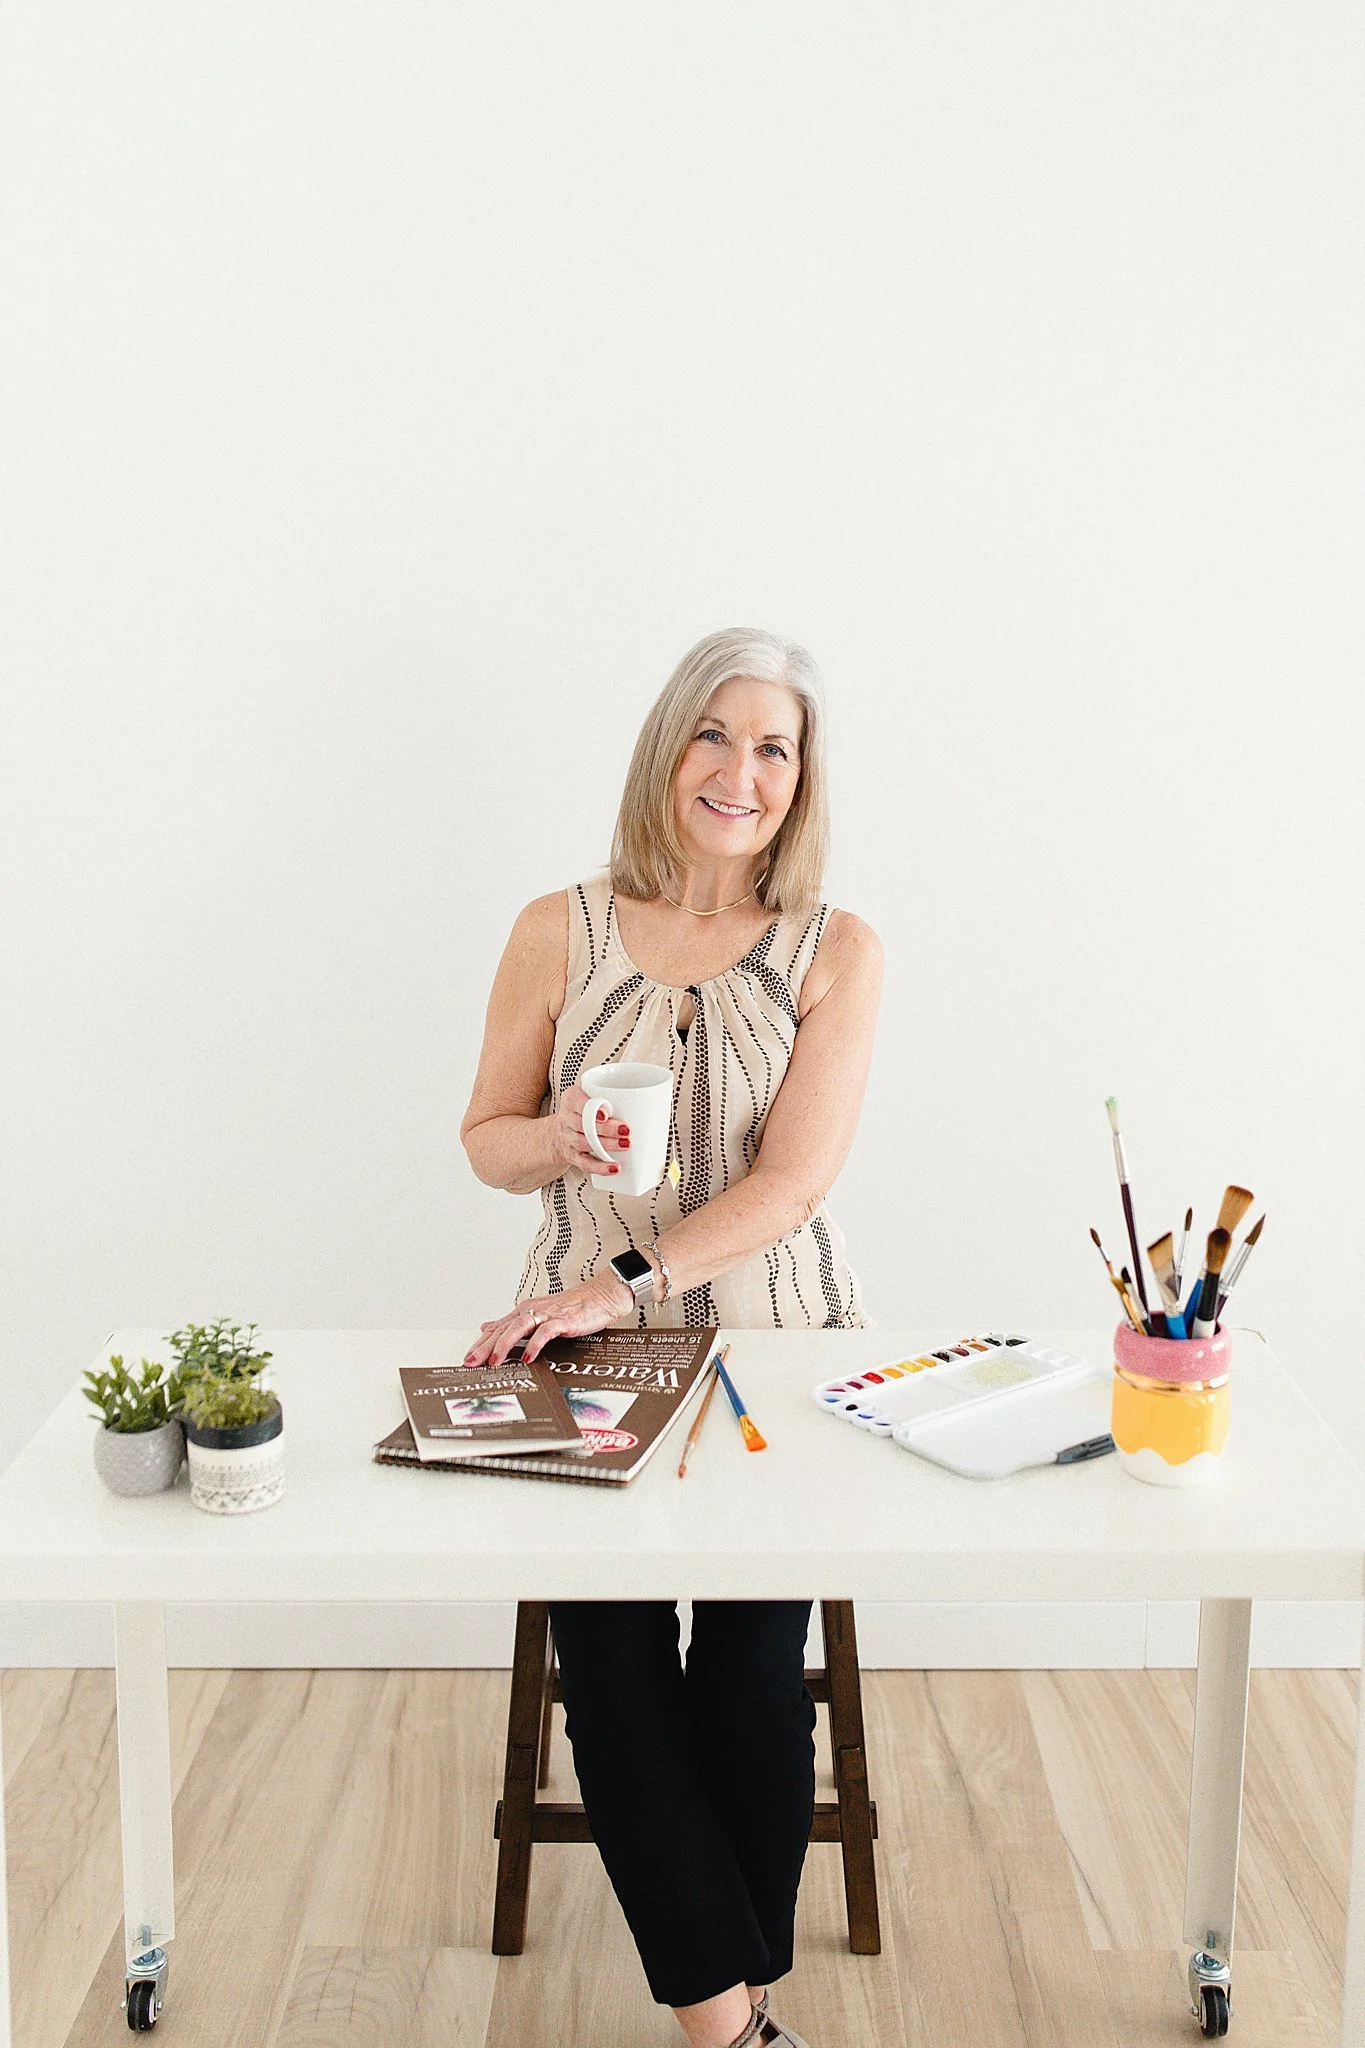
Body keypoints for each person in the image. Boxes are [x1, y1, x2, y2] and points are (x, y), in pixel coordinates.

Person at [460, 627, 883, 2048]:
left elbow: (793, 1184)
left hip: (776, 1355)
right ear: (668, 747)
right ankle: (736, 2027)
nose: (740, 771)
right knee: (622, 1672)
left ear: (801, 780)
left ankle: (725, 2011)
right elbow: (485, 1143)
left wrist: (625, 1281)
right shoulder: (555, 929)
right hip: (576, 1355)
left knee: (756, 1678)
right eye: (715, 734)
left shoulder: (837, 951)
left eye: (774, 747)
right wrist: (554, 1141)